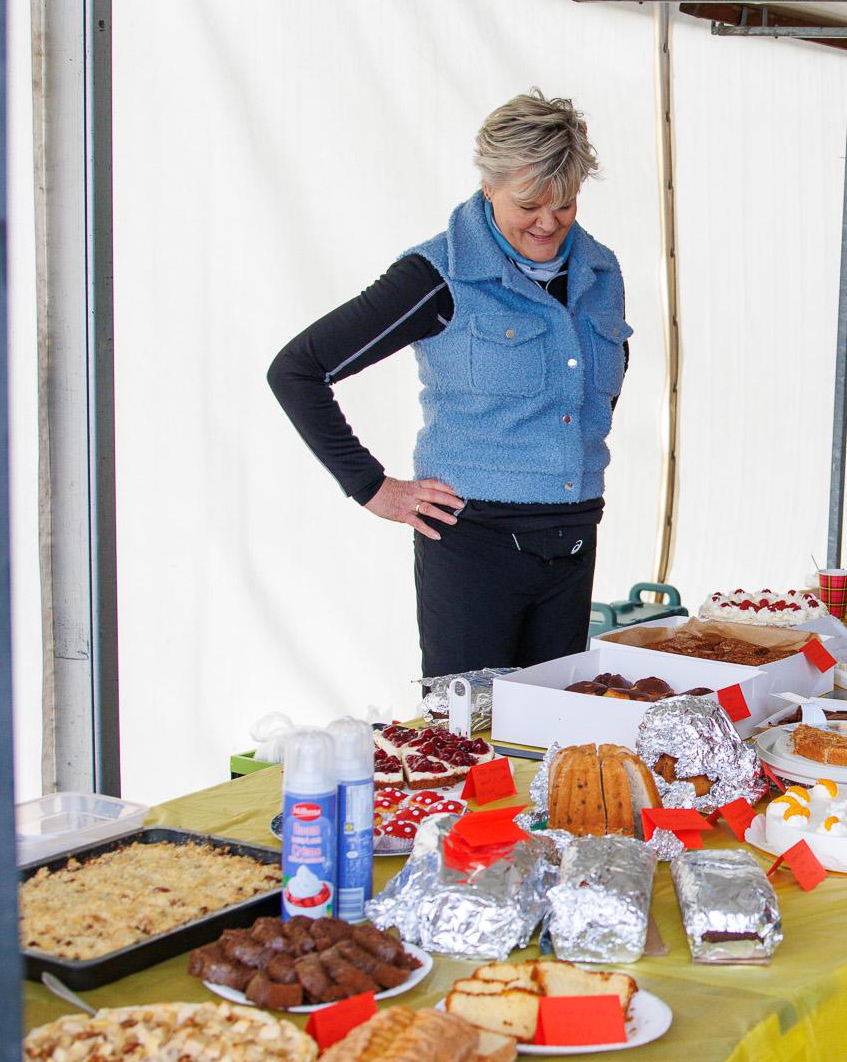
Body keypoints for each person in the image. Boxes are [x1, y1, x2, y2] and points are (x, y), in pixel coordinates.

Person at [267, 90, 629, 678]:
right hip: (475, 544)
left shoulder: (601, 270)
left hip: (574, 535)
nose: (548, 224)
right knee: (467, 726)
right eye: (529, 204)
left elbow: (597, 384)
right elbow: (297, 371)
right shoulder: (437, 275)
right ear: (489, 186)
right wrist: (371, 487)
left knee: (554, 721)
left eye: (564, 204)